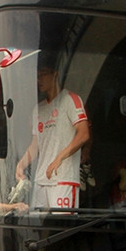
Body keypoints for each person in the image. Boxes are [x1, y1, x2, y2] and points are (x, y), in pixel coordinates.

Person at [15, 52, 91, 210]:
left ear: (55, 74)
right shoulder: (38, 108)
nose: (39, 79)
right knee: (38, 228)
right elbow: (35, 145)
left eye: (43, 74)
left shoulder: (70, 99)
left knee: (61, 228)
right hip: (41, 180)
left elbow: (84, 134)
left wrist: (59, 158)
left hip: (64, 179)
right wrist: (20, 165)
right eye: (37, 76)